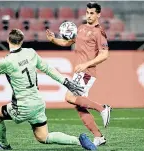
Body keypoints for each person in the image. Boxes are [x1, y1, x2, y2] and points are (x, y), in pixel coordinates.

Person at [0, 29, 97, 150]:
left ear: (8, 40)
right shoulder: (30, 53)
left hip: (22, 106)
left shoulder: (7, 61)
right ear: (22, 41)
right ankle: (79, 141)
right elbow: (49, 70)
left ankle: (3, 145)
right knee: (43, 137)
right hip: (38, 103)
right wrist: (66, 82)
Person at [46, 2, 111, 146]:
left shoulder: (98, 32)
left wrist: (86, 64)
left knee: (69, 97)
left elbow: (105, 54)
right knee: (79, 106)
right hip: (79, 73)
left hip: (87, 72)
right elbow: (67, 42)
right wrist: (53, 40)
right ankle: (98, 136)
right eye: (87, 12)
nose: (89, 15)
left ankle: (102, 108)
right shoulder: (81, 28)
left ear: (98, 14)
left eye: (92, 13)